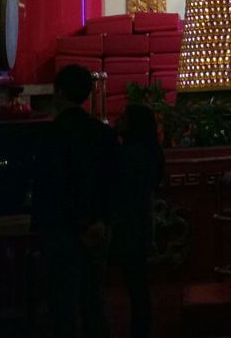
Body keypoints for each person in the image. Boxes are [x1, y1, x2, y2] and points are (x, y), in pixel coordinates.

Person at [32, 65, 119, 338]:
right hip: (96, 227)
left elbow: (53, 185)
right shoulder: (103, 133)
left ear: (58, 92)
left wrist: (76, 224)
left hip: (61, 229)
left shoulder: (50, 134)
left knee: (63, 306)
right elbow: (112, 182)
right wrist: (99, 221)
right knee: (93, 299)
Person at [111, 104, 164, 338]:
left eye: (122, 117)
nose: (117, 121)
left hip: (129, 224)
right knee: (138, 286)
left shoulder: (131, 155)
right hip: (141, 223)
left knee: (135, 285)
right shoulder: (149, 152)